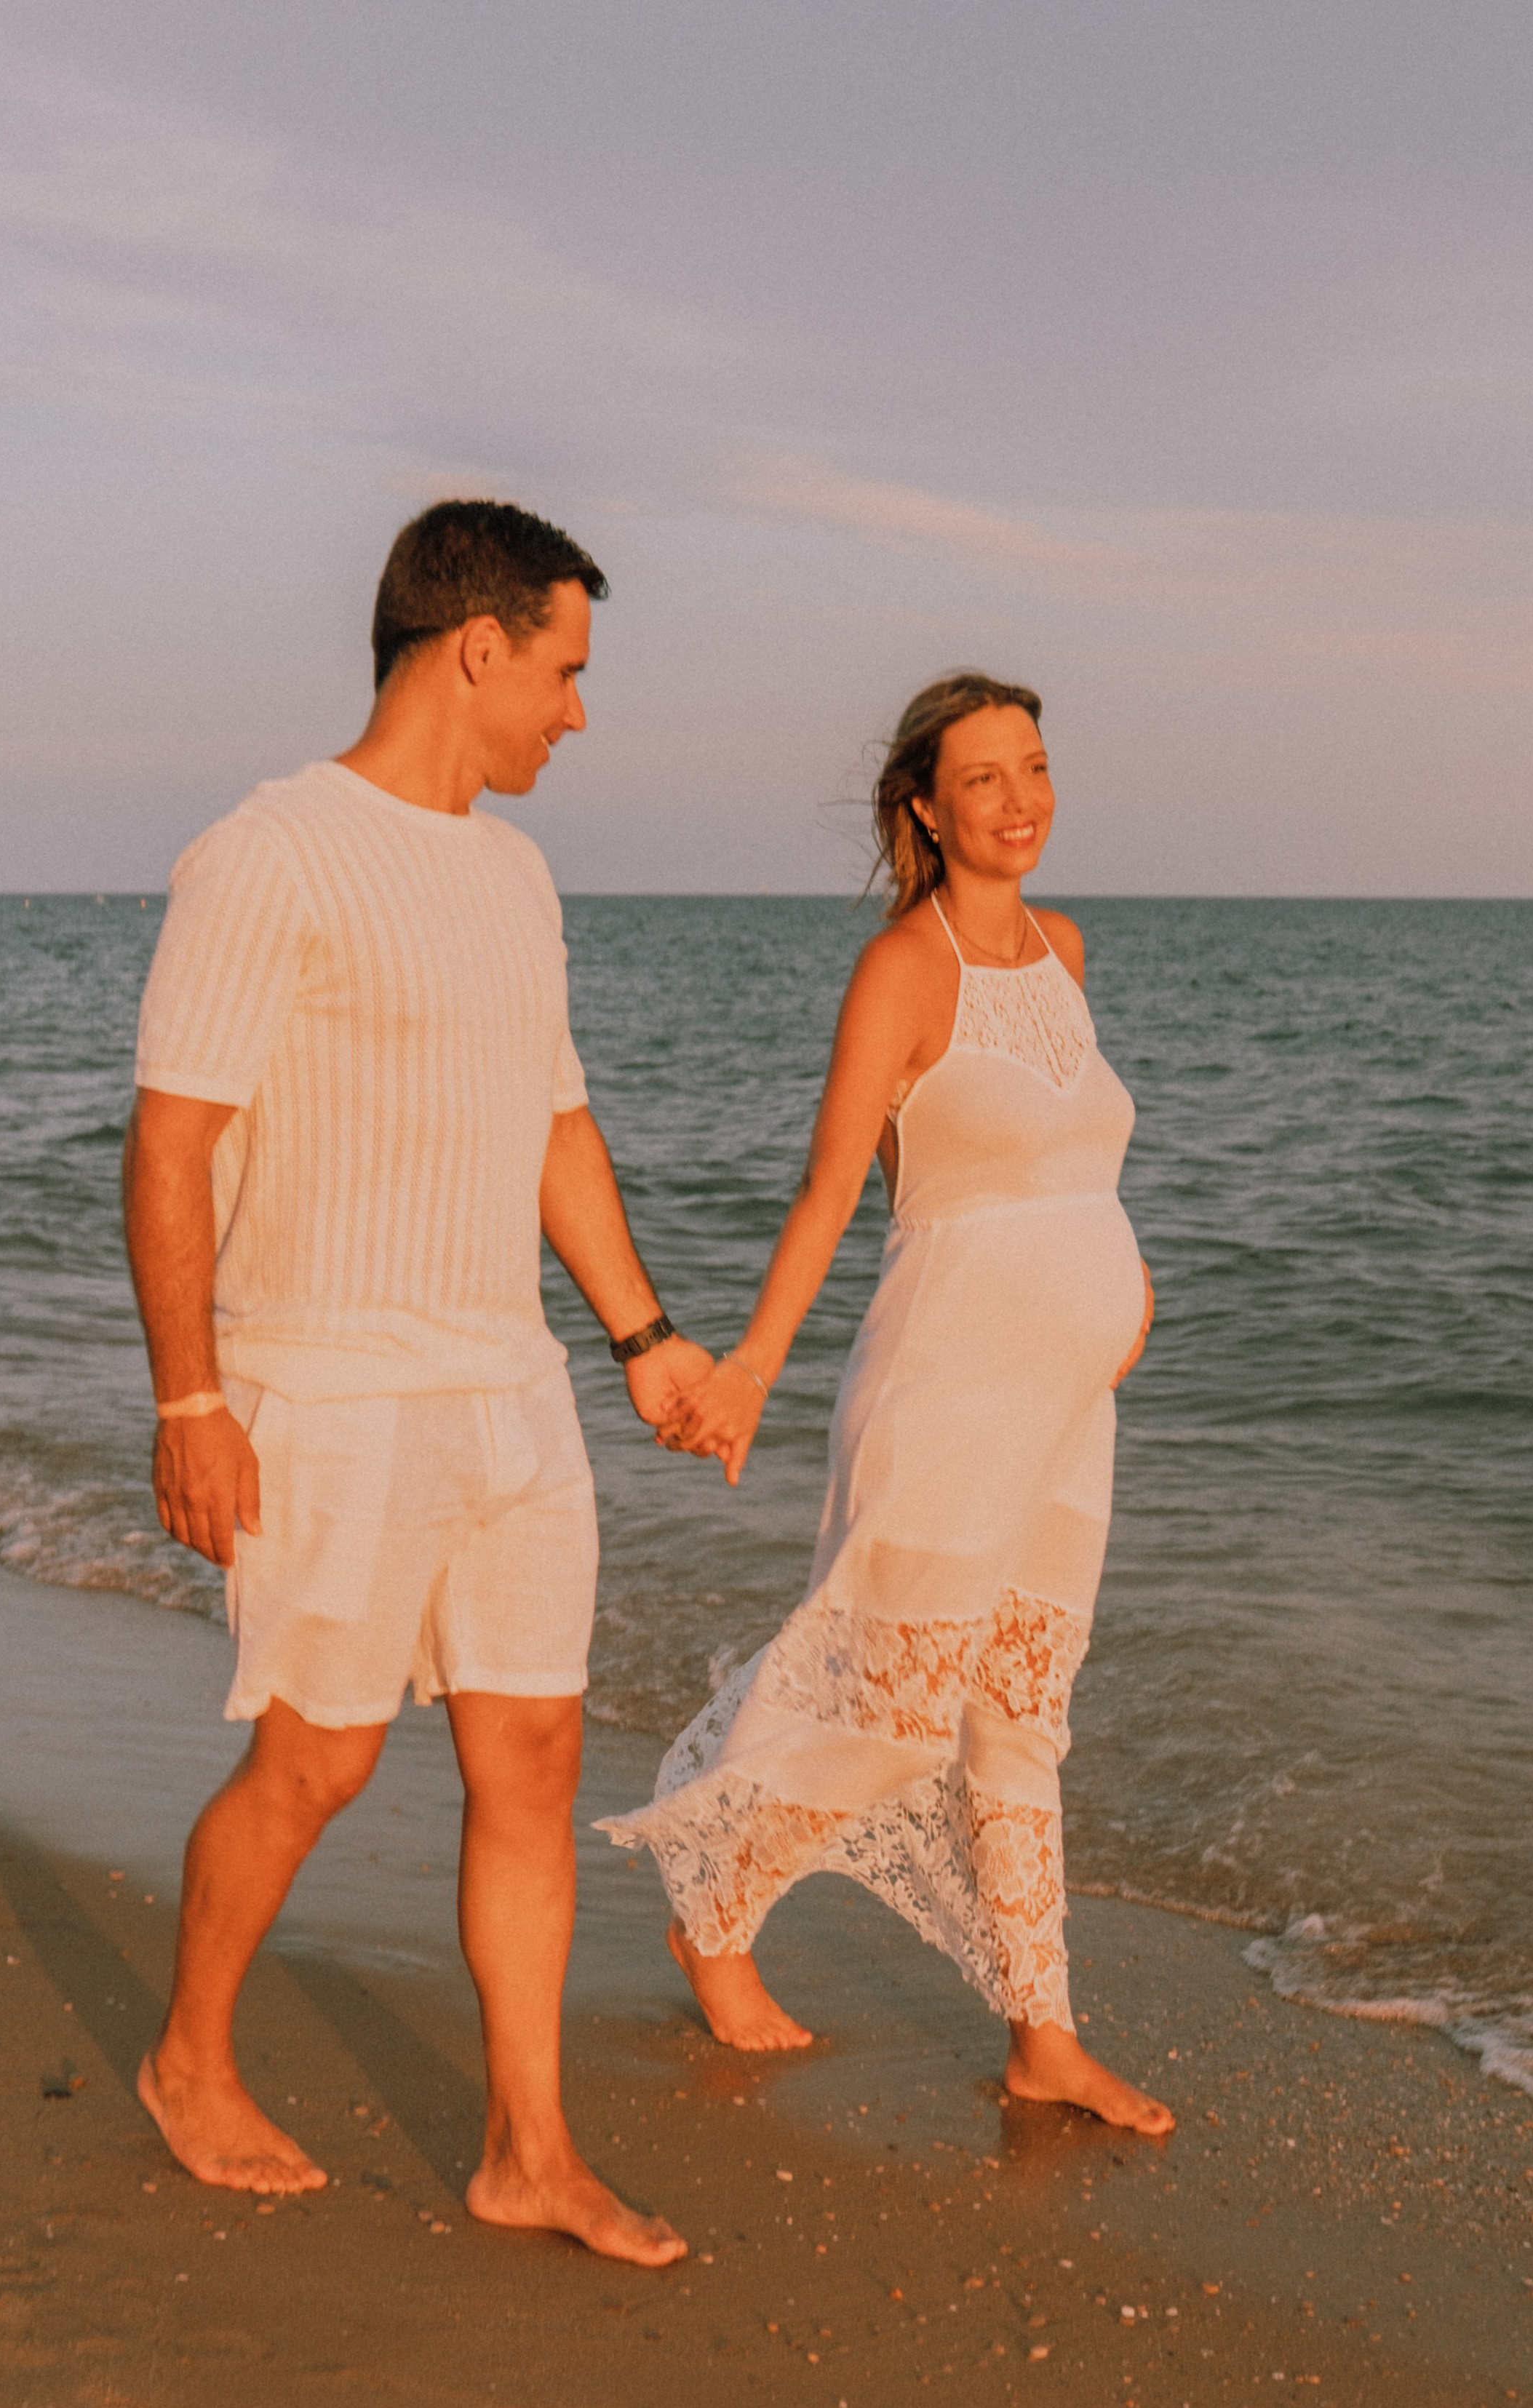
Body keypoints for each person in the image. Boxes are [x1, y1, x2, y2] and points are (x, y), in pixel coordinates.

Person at [124, 499, 707, 2263]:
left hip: (507, 1387)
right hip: (326, 1388)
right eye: (565, 670)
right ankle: (186, 2061)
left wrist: (641, 1336)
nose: (576, 715)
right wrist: (189, 1404)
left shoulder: (511, 877)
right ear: (476, 649)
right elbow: (170, 1148)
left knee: (528, 1751)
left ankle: (527, 2145)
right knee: (320, 1760)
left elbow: (552, 1122)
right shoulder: (270, 852)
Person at [602, 673, 1173, 2136]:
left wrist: (1129, 1278)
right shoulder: (899, 973)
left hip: (1065, 1405)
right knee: (898, 1710)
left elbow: (1065, 1162)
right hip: (944, 1393)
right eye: (980, 777)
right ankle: (711, 1913)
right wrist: (743, 1374)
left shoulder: (1064, 949)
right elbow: (827, 1192)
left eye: (1033, 766)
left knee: (1019, 1714)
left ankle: (1042, 2035)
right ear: (923, 805)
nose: (1017, 798)